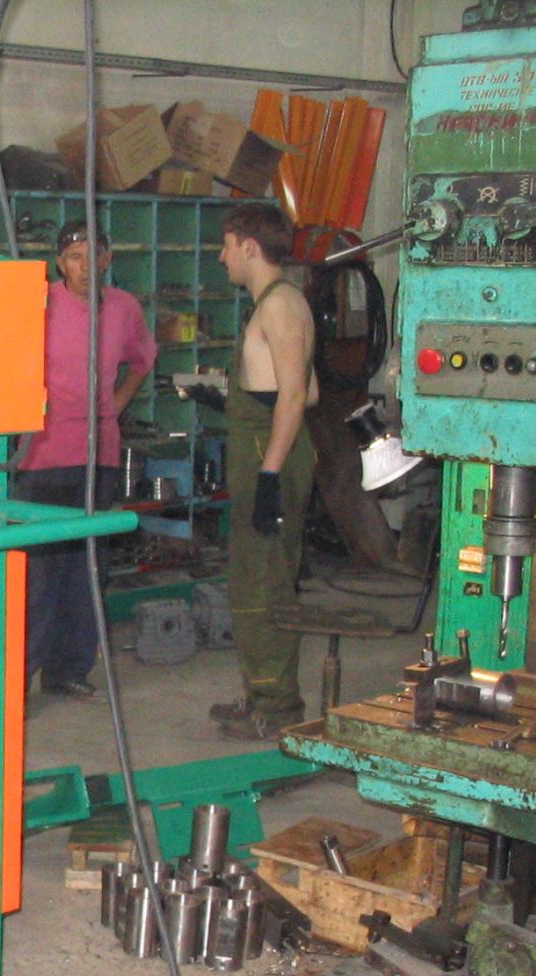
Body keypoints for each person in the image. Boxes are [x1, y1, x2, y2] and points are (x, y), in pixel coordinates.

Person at [15, 218, 156, 702]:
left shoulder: (123, 308)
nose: (85, 266)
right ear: (60, 263)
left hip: (99, 454)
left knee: (86, 569)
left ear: (107, 259)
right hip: (44, 454)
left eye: (94, 255)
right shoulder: (40, 302)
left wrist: (116, 404)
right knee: (39, 575)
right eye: (74, 257)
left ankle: (68, 669)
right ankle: (20, 679)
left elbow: (142, 361)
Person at [210, 202, 318, 741]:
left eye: (227, 245)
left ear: (249, 247)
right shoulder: (276, 302)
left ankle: (278, 708)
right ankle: (260, 693)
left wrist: (270, 475)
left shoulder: (279, 306)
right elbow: (302, 390)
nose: (222, 256)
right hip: (262, 446)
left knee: (265, 585)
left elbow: (296, 397)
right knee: (253, 578)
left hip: (268, 455)